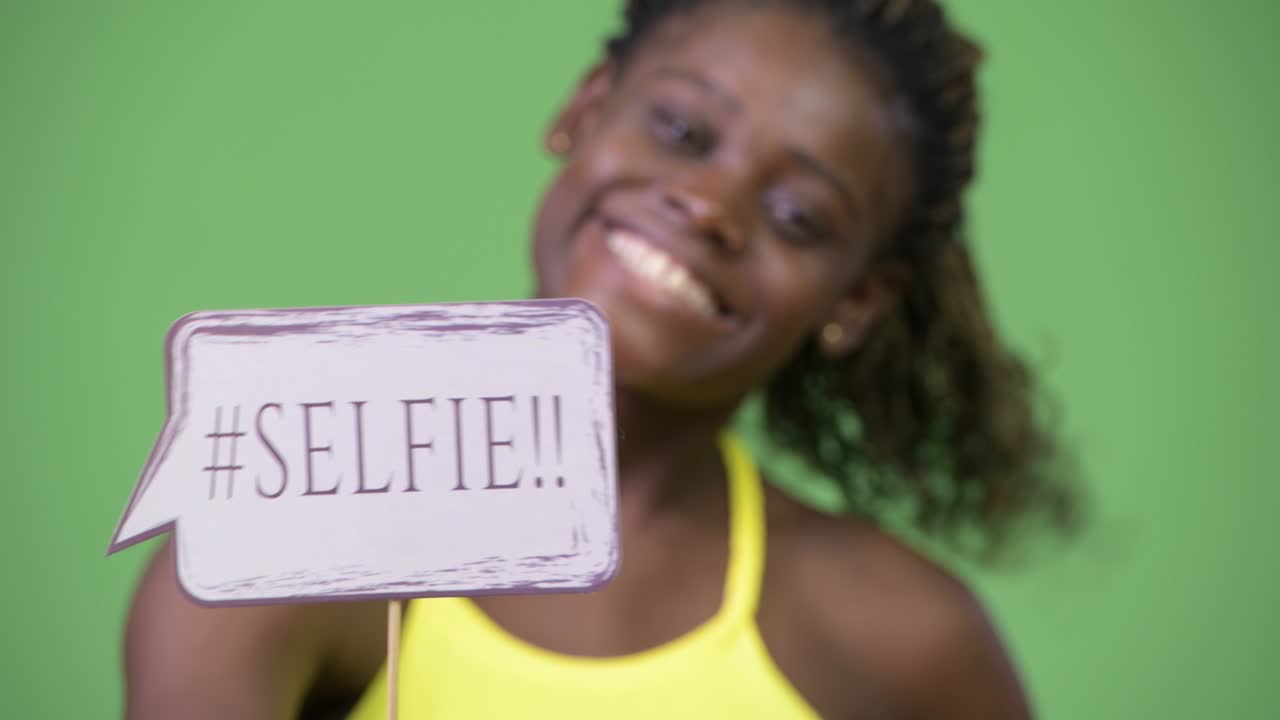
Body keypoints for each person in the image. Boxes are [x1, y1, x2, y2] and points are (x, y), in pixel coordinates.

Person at [125, 0, 1079, 717]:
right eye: (681, 131)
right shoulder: (286, 532)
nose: (708, 204)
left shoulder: (902, 636)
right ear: (583, 111)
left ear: (856, 301)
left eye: (799, 217)